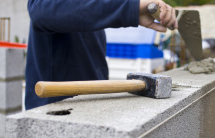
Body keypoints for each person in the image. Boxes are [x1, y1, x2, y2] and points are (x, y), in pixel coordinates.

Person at [25, 0, 178, 110]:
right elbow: (41, 11)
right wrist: (129, 9)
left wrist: (133, 13)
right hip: (53, 114)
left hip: (90, 108)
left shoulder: (91, 10)